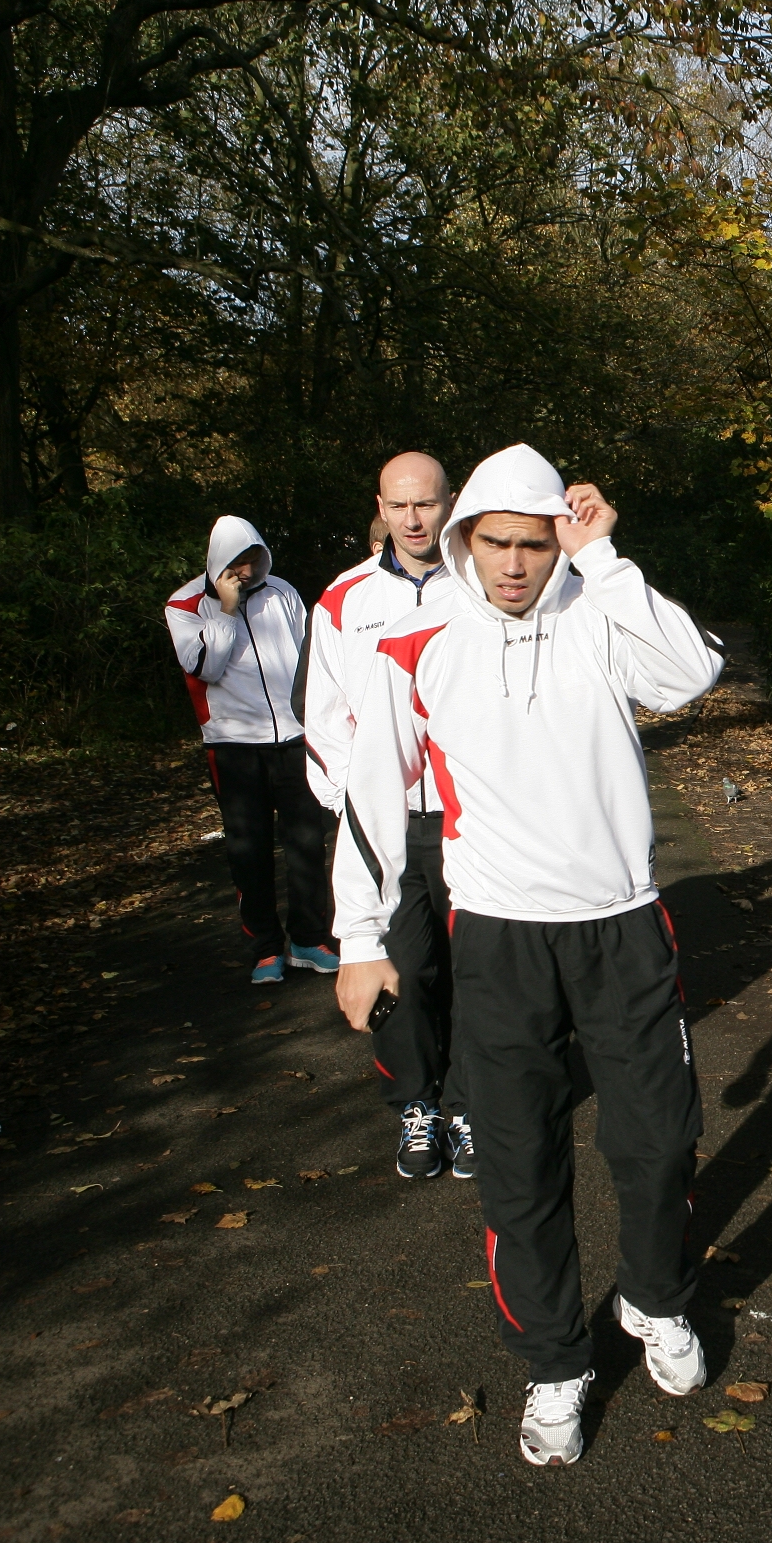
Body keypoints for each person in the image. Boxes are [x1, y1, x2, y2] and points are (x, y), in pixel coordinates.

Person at [332, 443, 725, 1468]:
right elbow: (370, 795)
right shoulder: (417, 642)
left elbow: (692, 673)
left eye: (535, 545)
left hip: (621, 921)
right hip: (499, 934)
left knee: (658, 1138)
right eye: (495, 542)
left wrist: (605, 558)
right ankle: (555, 1362)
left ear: (560, 541)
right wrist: (361, 937)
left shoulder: (599, 609)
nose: (513, 564)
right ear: (465, 537)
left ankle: (654, 1298)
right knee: (519, 1161)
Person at [304, 452, 473, 1182]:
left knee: (476, 971)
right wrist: (359, 798)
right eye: (399, 505)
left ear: (450, 502)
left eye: (426, 504)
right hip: (389, 826)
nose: (413, 519)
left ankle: (469, 1105)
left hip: (471, 822)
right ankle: (417, 1104)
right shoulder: (343, 600)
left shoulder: (481, 586)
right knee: (401, 971)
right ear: (380, 506)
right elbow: (323, 717)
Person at [165, 515, 335, 984]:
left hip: (293, 738)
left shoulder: (281, 592)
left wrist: (316, 718)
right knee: (249, 850)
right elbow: (205, 665)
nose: (245, 572)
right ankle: (265, 949)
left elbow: (310, 658)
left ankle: (309, 940)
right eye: (237, 564)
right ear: (218, 563)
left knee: (306, 843)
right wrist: (224, 611)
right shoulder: (185, 605)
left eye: (253, 561)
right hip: (233, 745)